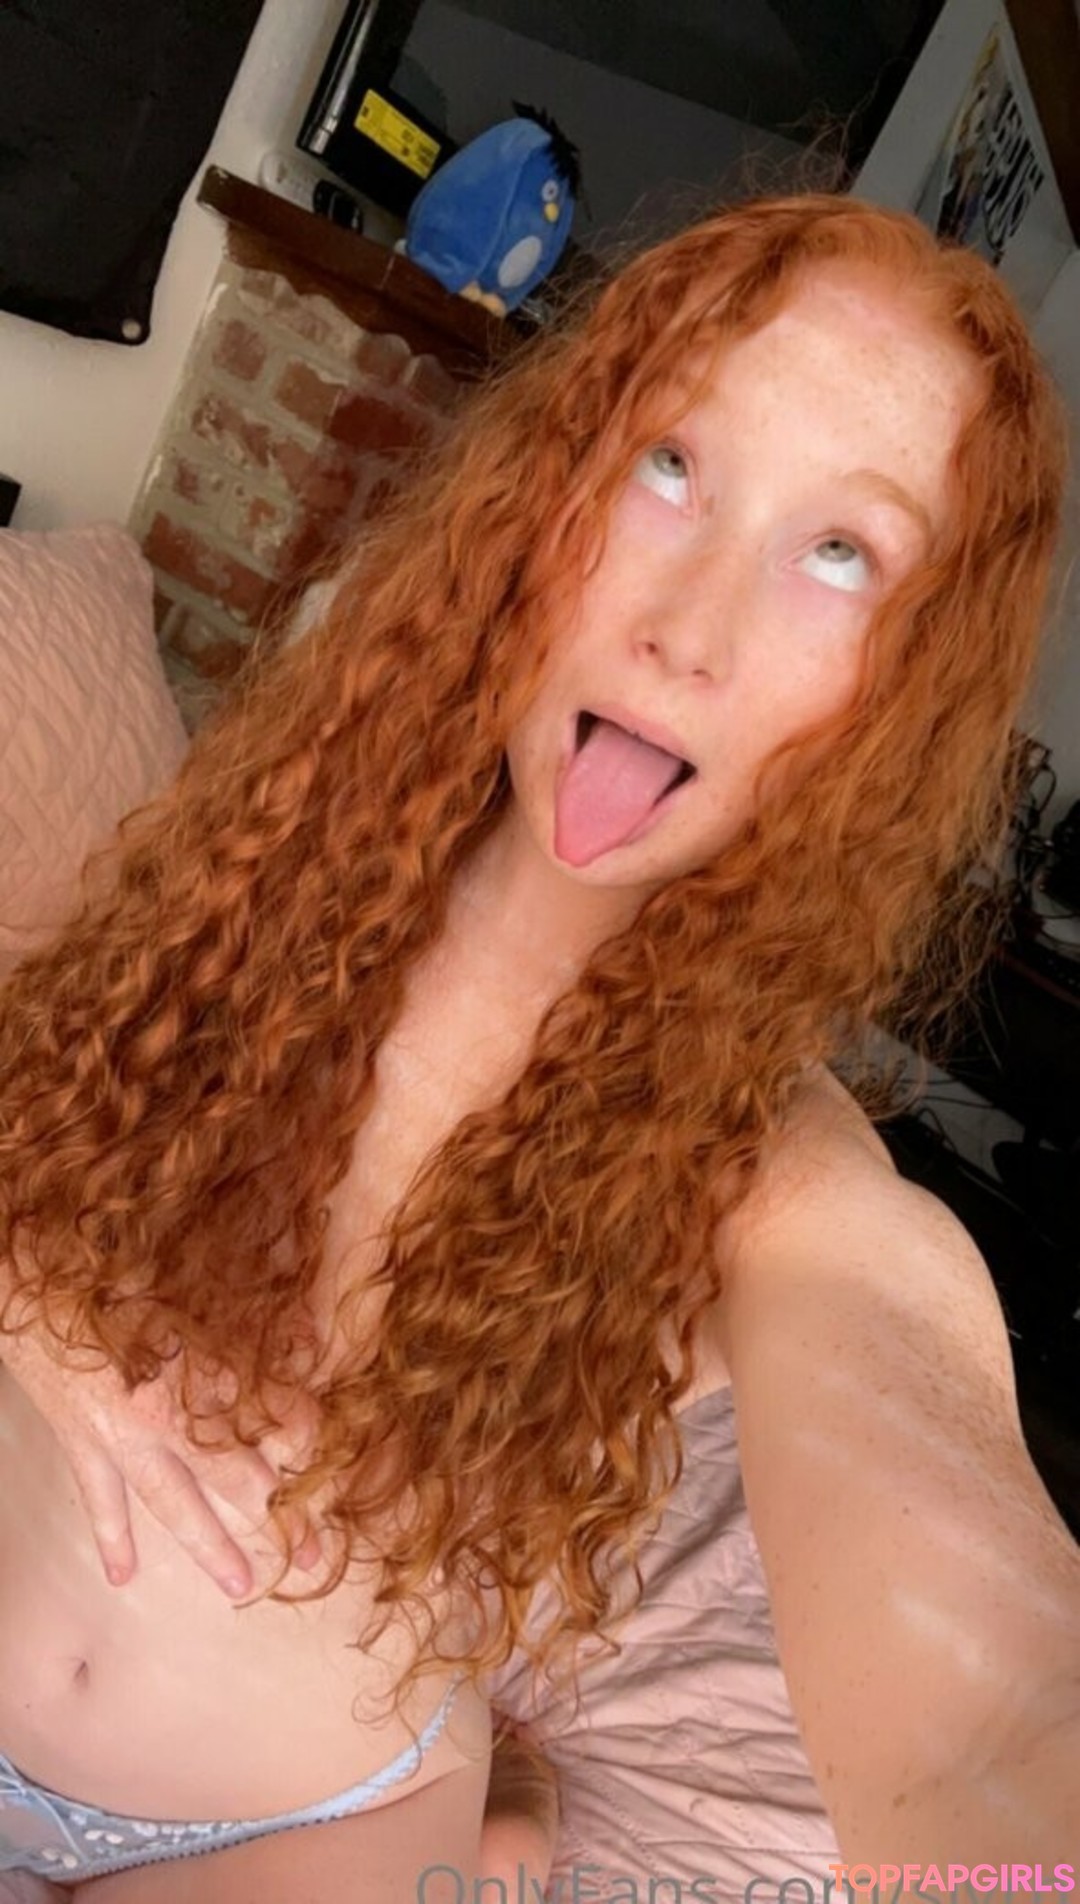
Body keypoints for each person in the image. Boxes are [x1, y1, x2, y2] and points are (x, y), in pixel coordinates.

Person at [0, 191, 1078, 1902]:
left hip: (296, 1824)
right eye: (671, 464)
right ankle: (515, 1810)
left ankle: (492, 1813)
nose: (688, 630)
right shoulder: (275, 849)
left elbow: (989, 1724)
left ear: (902, 695)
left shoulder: (775, 1181)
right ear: (550, 491)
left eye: (842, 554)